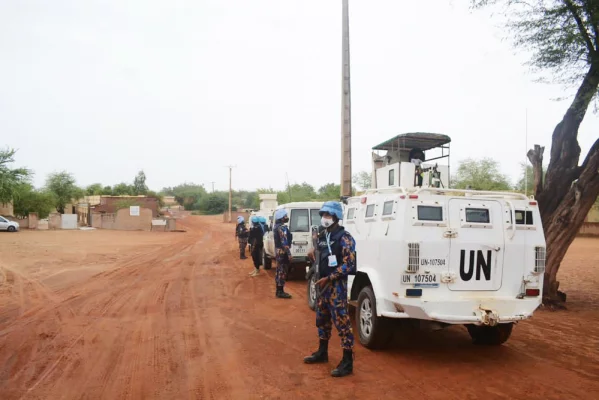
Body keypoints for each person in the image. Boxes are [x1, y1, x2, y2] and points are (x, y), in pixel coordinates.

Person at [303, 201, 356, 378]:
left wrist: (330, 278)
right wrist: (312, 254)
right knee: (322, 320)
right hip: (322, 287)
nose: (324, 218)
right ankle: (322, 352)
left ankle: (348, 362)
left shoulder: (344, 237)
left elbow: (349, 264)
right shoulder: (322, 236)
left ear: (335, 217)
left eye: (328, 215)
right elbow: (319, 258)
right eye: (323, 215)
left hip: (336, 288)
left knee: (343, 324)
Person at [273, 209, 292, 299]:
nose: (286, 217)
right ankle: (280, 291)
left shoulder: (276, 226)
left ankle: (278, 290)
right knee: (282, 271)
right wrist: (289, 254)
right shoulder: (282, 228)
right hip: (282, 252)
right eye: (285, 216)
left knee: (279, 271)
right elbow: (284, 242)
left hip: (278, 251)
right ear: (281, 217)